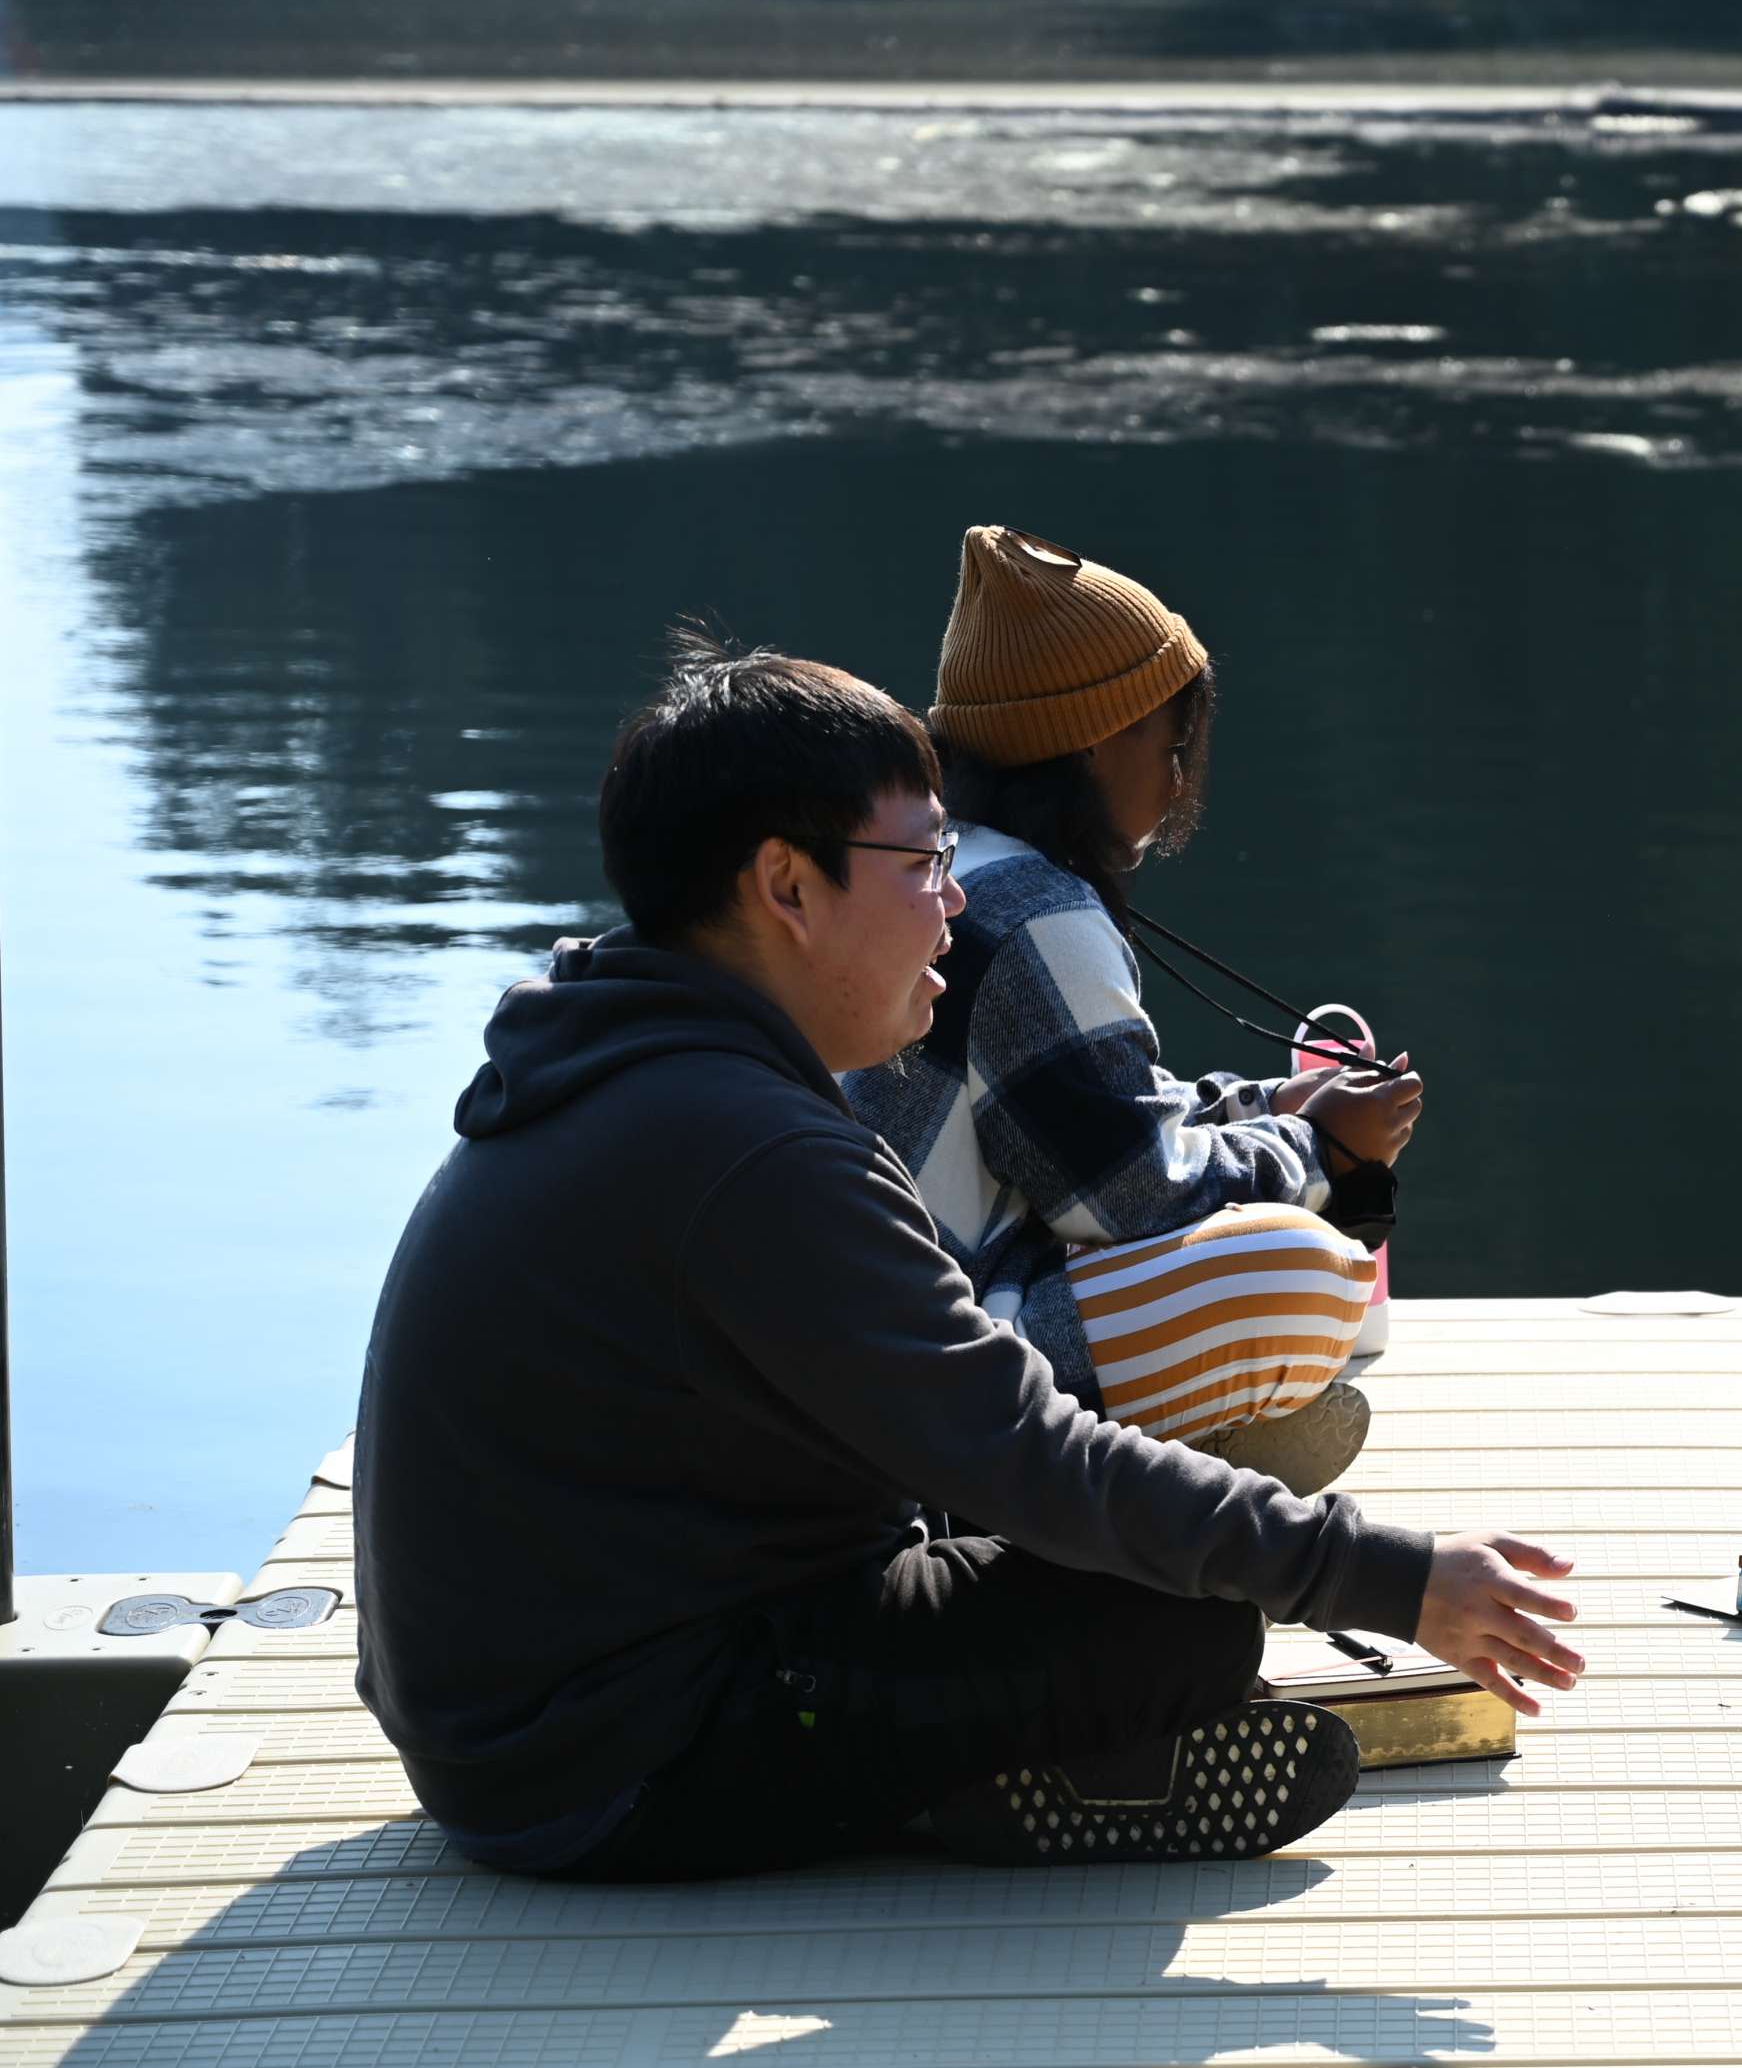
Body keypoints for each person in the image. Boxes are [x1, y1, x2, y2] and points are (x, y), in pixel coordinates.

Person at [354, 638, 1579, 1882]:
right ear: (786, 884)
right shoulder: (746, 1149)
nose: (953, 897)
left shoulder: (639, 1065)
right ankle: (982, 1787)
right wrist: (1389, 1576)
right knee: (1182, 1623)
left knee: (1115, 1556)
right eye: (924, 861)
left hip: (534, 1722)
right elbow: (1025, 1453)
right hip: (617, 1764)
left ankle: (998, 1752)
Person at [847, 528, 1419, 1495]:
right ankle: (1162, 1471)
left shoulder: (956, 860)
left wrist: (1266, 1105)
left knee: (1273, 1241)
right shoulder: (1041, 913)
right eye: (1172, 740)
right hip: (939, 1381)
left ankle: (1184, 1448)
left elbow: (1094, 1124)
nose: (1180, 771)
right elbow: (1129, 1197)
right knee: (1304, 1271)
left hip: (888, 1327)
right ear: (1103, 738)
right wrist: (1318, 1152)